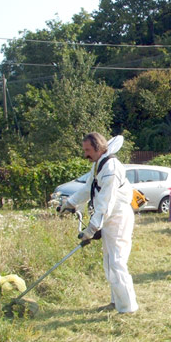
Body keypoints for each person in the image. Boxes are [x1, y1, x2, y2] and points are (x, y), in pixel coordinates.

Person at [61, 133, 138, 314]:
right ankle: (116, 301)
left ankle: (128, 308)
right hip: (109, 218)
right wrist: (69, 203)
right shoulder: (98, 165)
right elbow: (88, 189)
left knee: (117, 261)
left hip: (118, 217)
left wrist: (92, 228)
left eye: (88, 150)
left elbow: (106, 202)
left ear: (98, 148)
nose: (85, 154)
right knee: (109, 261)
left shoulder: (111, 168)